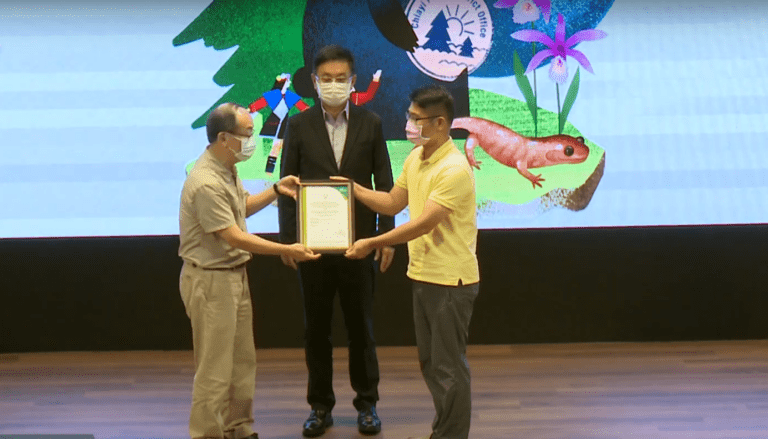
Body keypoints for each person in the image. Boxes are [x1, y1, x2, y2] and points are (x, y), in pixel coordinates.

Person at [343, 85, 480, 439]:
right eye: (409, 115)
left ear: (440, 123)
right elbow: (392, 202)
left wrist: (372, 242)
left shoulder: (454, 168)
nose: (408, 123)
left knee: (448, 367)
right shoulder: (416, 158)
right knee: (431, 364)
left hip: (451, 281)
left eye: (416, 118)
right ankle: (444, 430)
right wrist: (352, 189)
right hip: (423, 275)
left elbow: (422, 224)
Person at [179, 102, 319, 439]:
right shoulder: (205, 181)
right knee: (214, 368)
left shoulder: (227, 167)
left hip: (233, 275)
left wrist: (275, 189)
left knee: (242, 362)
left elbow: (241, 207)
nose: (252, 141)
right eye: (247, 134)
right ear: (224, 138)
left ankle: (238, 428)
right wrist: (287, 249)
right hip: (210, 280)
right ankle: (207, 434)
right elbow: (233, 236)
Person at [277, 45, 395, 437]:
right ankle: (320, 407)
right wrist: (287, 240)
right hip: (312, 247)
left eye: (340, 78)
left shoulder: (371, 123)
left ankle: (367, 404)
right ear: (314, 82)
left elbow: (385, 183)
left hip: (359, 245)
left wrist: (386, 237)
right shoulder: (298, 125)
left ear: (353, 81)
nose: (333, 85)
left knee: (362, 328)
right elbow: (287, 185)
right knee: (316, 330)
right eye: (326, 79)